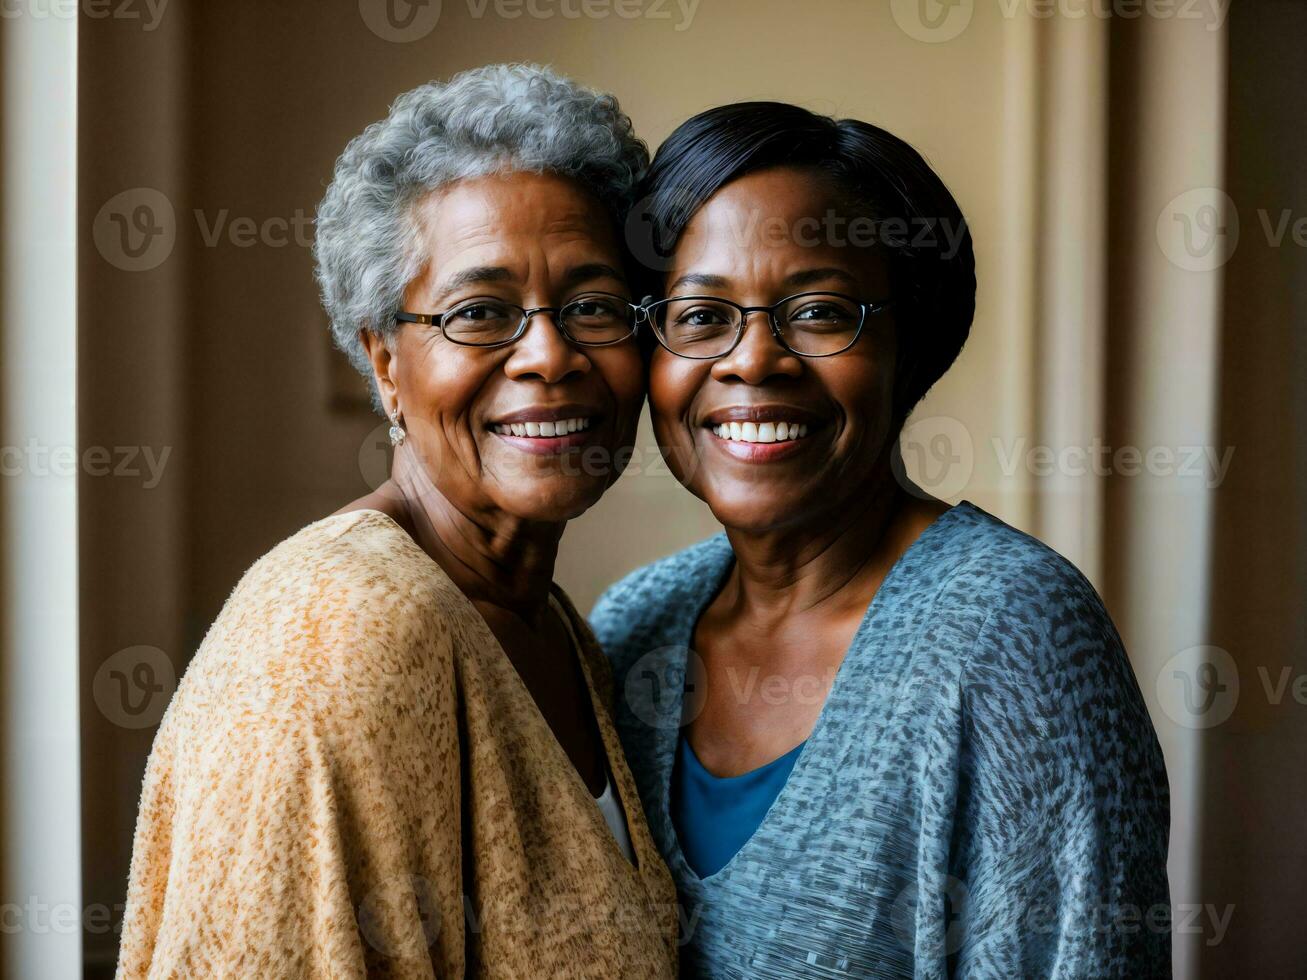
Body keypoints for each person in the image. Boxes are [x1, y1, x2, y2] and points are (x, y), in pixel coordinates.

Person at [117, 65, 677, 979]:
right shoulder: (344, 637)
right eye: (479, 312)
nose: (547, 354)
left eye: (592, 305)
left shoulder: (549, 623)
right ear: (384, 364)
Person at [593, 102, 1171, 977]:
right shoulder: (630, 624)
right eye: (700, 317)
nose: (753, 360)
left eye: (820, 312)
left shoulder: (1012, 633)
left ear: (910, 346)